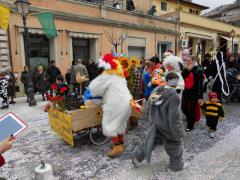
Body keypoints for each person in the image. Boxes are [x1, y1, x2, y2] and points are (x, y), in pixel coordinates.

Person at [132, 72, 185, 172]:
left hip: (156, 124)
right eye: (175, 80)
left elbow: (149, 105)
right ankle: (176, 167)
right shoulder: (175, 96)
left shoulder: (157, 90)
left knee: (150, 141)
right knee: (175, 146)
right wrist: (179, 133)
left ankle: (137, 156)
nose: (176, 82)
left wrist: (151, 119)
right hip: (167, 127)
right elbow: (174, 117)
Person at [84, 53, 132, 158]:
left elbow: (94, 89)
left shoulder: (106, 76)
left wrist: (87, 89)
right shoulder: (119, 74)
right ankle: (121, 144)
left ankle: (117, 147)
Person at [182, 55, 203, 133]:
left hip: (194, 92)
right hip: (186, 91)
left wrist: (200, 96)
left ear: (193, 61)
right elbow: (182, 77)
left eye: (189, 60)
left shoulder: (198, 70)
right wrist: (187, 70)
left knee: (192, 109)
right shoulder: (186, 69)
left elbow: (200, 84)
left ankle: (190, 125)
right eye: (186, 60)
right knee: (183, 107)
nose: (187, 62)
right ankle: (191, 118)